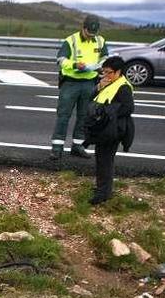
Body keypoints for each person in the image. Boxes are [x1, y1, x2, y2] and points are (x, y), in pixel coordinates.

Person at [51, 14, 108, 160]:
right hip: (71, 83)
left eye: (93, 34)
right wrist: (75, 65)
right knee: (64, 115)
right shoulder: (72, 40)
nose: (90, 36)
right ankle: (57, 148)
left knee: (85, 116)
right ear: (83, 28)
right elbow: (61, 59)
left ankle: (77, 146)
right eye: (88, 33)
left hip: (89, 83)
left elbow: (104, 58)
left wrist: (103, 67)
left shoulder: (100, 41)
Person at [84, 56, 135, 205]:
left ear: (118, 71)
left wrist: (106, 113)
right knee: (101, 157)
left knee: (105, 159)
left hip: (113, 129)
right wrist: (99, 87)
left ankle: (103, 193)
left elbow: (128, 108)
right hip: (104, 127)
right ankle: (103, 189)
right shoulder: (109, 82)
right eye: (103, 72)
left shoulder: (123, 86)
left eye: (109, 72)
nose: (105, 75)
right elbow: (93, 99)